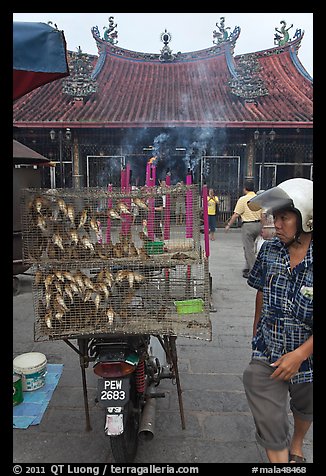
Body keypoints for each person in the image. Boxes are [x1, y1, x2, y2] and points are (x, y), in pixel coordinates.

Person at [242, 178, 313, 464]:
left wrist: (299, 355)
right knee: (261, 395)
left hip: (308, 357)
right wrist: (256, 331)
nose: (276, 225)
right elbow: (261, 289)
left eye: (284, 218)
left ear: (307, 219)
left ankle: (297, 444)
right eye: (275, 217)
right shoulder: (269, 251)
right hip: (268, 350)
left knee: (304, 406)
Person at [225, 181, 262, 278]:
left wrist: (229, 225)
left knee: (248, 249)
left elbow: (236, 214)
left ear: (245, 188)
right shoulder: (259, 198)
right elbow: (263, 213)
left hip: (248, 226)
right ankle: (248, 267)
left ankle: (254, 271)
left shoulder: (243, 199)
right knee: (252, 248)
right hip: (259, 225)